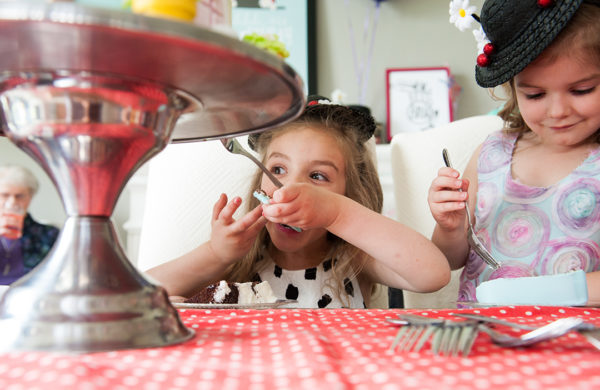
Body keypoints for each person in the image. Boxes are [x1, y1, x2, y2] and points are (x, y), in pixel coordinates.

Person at [147, 96, 450, 308]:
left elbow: (433, 274)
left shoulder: (353, 259)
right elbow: (137, 296)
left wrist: (335, 213)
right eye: (277, 169)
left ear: (348, 194)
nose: (289, 188)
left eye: (318, 176)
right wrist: (215, 253)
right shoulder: (239, 260)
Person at [429, 0, 600, 304]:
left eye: (581, 90)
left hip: (575, 342)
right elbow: (448, 260)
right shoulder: (491, 154)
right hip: (481, 339)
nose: (558, 111)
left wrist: (544, 293)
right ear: (513, 87)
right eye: (534, 94)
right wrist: (450, 227)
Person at [0, 164, 59, 285]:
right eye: (5, 195)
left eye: (19, 196)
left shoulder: (49, 234)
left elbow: (55, 276)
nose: (12, 203)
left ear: (30, 197)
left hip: (28, 298)